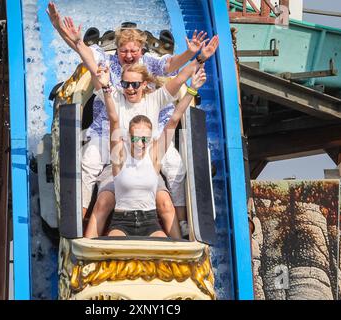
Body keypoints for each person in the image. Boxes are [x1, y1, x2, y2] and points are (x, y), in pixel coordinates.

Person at [47, 2, 219, 238]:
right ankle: (77, 222)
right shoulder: (111, 86)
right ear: (116, 51)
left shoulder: (152, 90)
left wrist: (196, 57)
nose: (130, 87)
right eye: (123, 51)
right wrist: (67, 34)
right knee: (88, 163)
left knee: (176, 168)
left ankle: (185, 226)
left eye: (135, 84)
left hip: (147, 141)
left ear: (145, 82)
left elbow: (175, 76)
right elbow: (86, 57)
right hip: (112, 140)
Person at [93, 60, 206, 237]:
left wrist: (193, 89)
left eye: (145, 139)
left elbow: (174, 119)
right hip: (122, 221)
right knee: (114, 244)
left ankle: (181, 242)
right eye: (136, 138)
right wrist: (107, 86)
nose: (141, 143)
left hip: (149, 221)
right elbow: (114, 119)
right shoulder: (119, 156)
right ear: (128, 138)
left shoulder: (154, 156)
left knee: (169, 246)